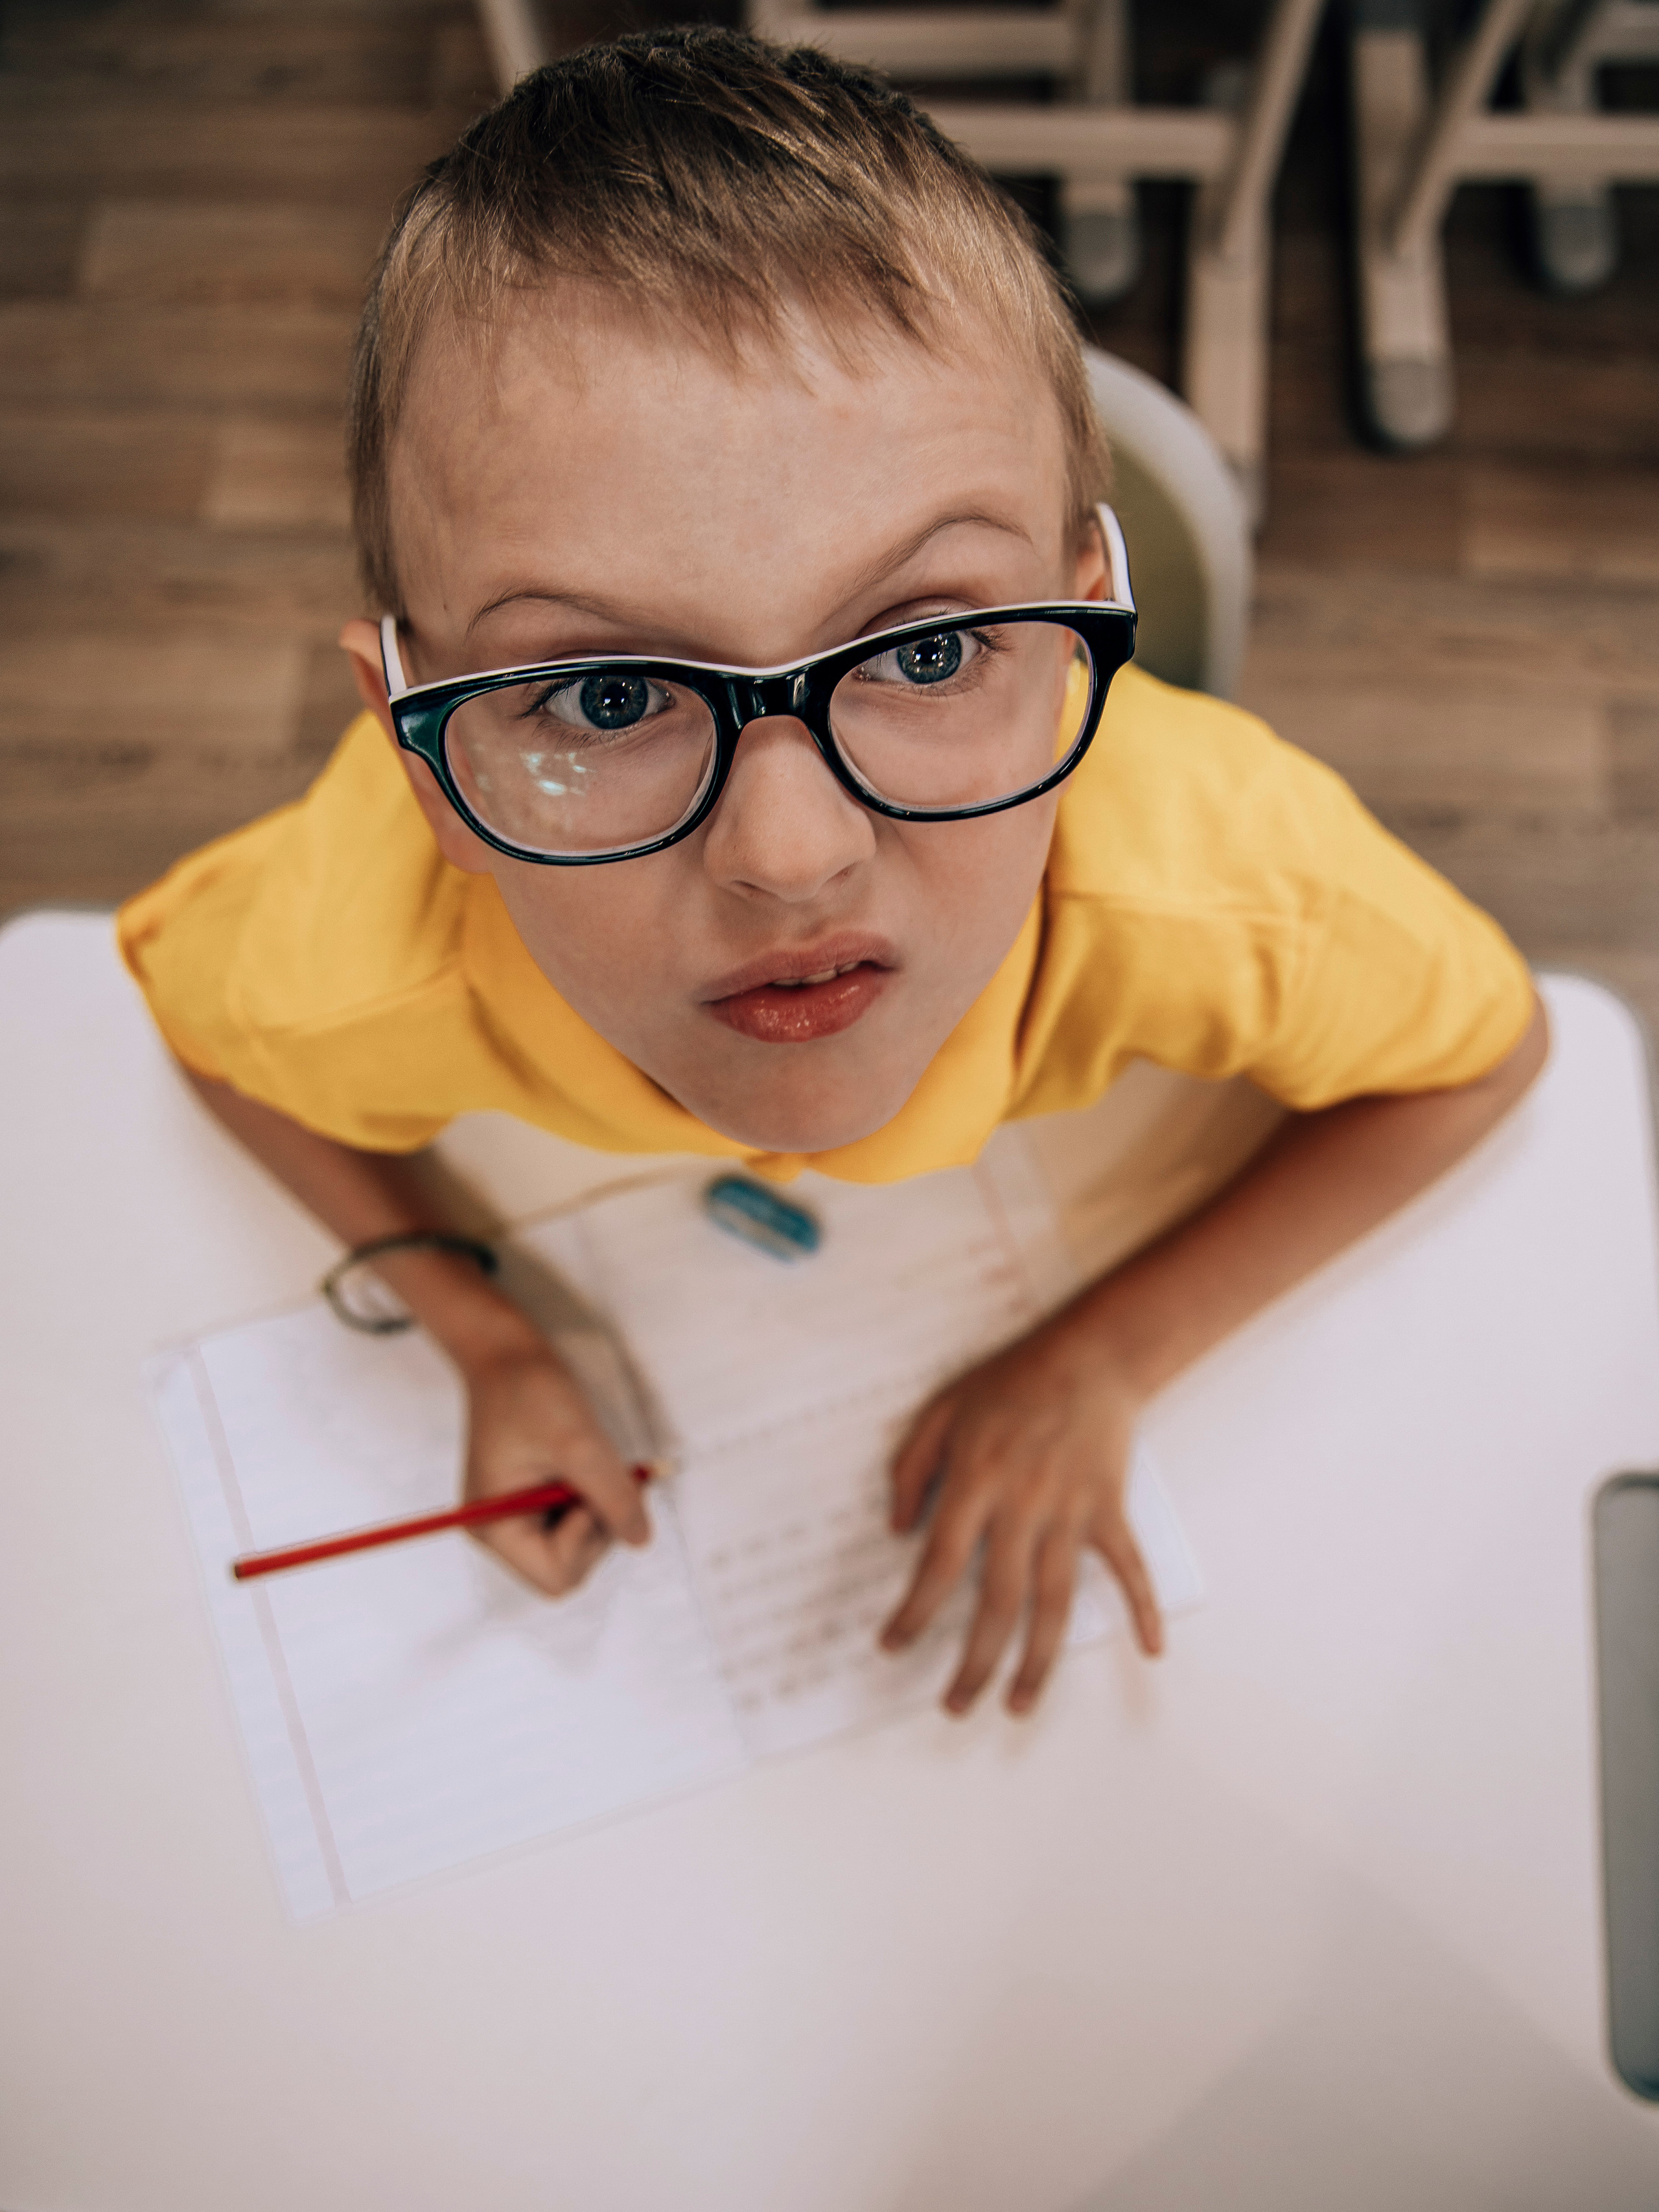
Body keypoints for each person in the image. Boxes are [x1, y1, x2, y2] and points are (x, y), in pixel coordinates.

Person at [118, 26, 1545, 1718]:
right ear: (416, 748)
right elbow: (216, 1044)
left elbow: (1485, 1056)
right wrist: (484, 1331)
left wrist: (1101, 1360)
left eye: (929, 654)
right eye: (609, 696)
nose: (792, 859)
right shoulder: (365, 958)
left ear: (1084, 636)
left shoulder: (1210, 882)